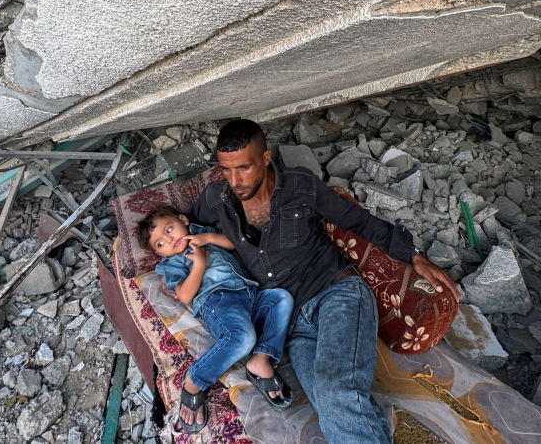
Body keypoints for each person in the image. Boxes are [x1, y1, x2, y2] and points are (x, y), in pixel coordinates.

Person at [190, 119, 456, 444]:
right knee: (327, 405)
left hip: (337, 293)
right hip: (291, 326)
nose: (235, 180)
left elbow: (358, 221)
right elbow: (186, 223)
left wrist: (412, 254)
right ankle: (379, 425)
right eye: (226, 170)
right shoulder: (217, 199)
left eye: (243, 168)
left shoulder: (301, 187)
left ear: (265, 158)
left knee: (337, 389)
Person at [137, 204, 295, 433]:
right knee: (242, 338)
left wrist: (207, 237)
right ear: (160, 254)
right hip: (217, 303)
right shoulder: (170, 265)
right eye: (160, 244)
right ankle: (194, 380)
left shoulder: (203, 234)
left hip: (248, 294)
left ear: (183, 220)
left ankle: (260, 359)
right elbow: (184, 294)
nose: (169, 241)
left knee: (281, 298)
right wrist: (199, 263)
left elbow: (233, 244)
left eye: (169, 230)